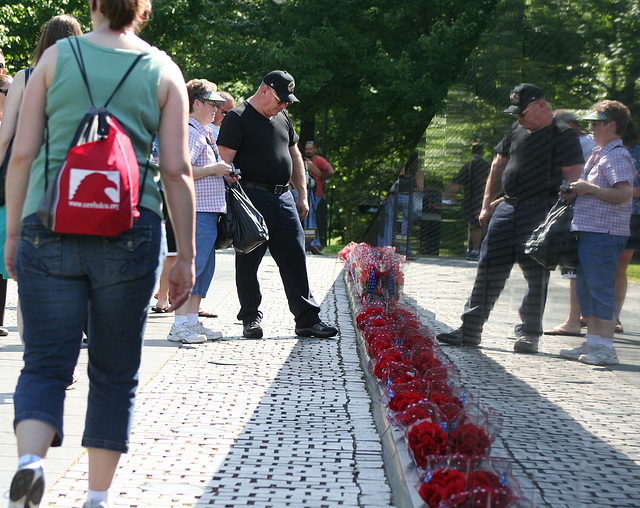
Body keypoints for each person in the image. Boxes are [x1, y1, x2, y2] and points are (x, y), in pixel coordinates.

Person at [4, 1, 196, 507]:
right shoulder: (162, 69)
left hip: (50, 222)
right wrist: (187, 257)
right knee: (113, 371)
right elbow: (176, 169)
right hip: (131, 230)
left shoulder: (54, 60)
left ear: (92, 6)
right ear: (143, 11)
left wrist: (13, 234)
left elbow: (22, 152)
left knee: (44, 364)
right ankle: (96, 497)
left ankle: (29, 462)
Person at [436, 83, 583, 354]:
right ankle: (469, 331)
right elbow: (497, 165)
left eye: (522, 112)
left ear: (540, 105)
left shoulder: (563, 134)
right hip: (507, 208)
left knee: (535, 276)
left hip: (541, 212)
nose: (518, 118)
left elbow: (573, 180)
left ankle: (529, 334)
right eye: (515, 113)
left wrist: (558, 218)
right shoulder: (517, 128)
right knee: (488, 270)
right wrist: (486, 206)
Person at [217, 70, 338, 339]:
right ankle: (251, 318)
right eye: (281, 99)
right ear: (264, 91)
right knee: (249, 260)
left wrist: (302, 195)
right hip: (251, 197)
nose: (284, 105)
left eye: (287, 101)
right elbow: (224, 164)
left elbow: (294, 154)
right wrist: (234, 203)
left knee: (295, 256)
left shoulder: (282, 116)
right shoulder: (237, 118)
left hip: (283, 197)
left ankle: (307, 319)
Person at [0, 16, 83, 343]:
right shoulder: (88, 76)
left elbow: (7, 138)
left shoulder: (26, 77)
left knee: (29, 274)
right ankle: (67, 349)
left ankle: (32, 355)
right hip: (76, 183)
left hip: (33, 183)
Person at [559, 101, 635, 366]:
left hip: (604, 233)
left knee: (600, 288)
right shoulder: (600, 153)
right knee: (587, 288)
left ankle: (605, 348)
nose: (590, 128)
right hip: (590, 231)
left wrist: (590, 189)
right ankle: (593, 343)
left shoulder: (616, 155)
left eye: (595, 123)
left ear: (612, 125)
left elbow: (624, 193)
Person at [166, 79, 232, 344]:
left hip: (208, 211)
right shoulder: (191, 132)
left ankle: (191, 322)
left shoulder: (204, 132)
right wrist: (215, 170)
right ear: (196, 103)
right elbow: (181, 172)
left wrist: (225, 174)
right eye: (211, 104)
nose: (216, 109)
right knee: (193, 267)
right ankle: (179, 324)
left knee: (204, 269)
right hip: (196, 211)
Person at [545, 109, 598, 337]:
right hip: (590, 211)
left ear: (570, 126)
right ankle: (583, 316)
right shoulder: (592, 143)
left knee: (573, 267)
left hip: (579, 210)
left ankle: (573, 320)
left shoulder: (579, 144)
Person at [442, 142, 490, 261]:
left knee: (472, 225)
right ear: (482, 152)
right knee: (479, 226)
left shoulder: (468, 165)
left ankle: (472, 250)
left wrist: (446, 196)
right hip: (483, 199)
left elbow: (456, 185)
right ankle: (476, 250)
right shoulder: (487, 166)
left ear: (472, 151)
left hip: (469, 199)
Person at [614, 123, 640, 333]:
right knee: (596, 264)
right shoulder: (602, 150)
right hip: (603, 213)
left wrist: (620, 193)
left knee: (619, 266)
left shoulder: (637, 152)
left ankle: (613, 316)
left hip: (632, 215)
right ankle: (589, 314)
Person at [303, 140, 335, 253]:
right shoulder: (305, 161)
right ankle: (309, 242)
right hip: (307, 192)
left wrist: (321, 178)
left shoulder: (319, 160)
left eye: (310, 149)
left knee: (310, 215)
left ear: (315, 150)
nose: (308, 151)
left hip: (316, 193)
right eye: (307, 149)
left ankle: (313, 242)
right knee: (308, 216)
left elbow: (331, 171)